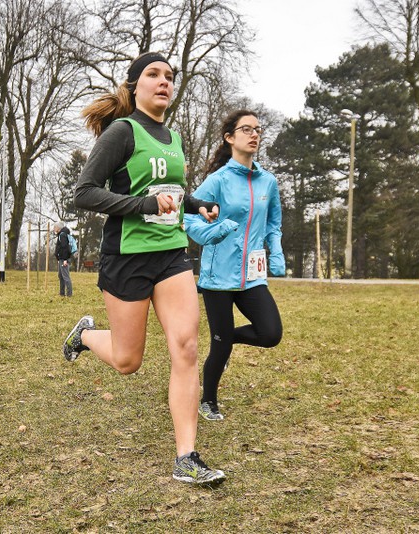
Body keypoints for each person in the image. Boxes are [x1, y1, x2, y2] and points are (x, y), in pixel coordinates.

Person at [65, 52, 224, 486]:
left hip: (172, 253)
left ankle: (186, 456)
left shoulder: (172, 137)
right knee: (127, 360)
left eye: (170, 76)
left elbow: (171, 191)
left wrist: (197, 205)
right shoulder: (123, 131)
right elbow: (85, 193)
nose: (164, 82)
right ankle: (84, 335)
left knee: (186, 347)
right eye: (153, 75)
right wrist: (143, 206)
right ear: (134, 85)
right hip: (127, 257)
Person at [185, 110, 285, 422]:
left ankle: (228, 339)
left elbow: (274, 225)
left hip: (253, 276)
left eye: (258, 129)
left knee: (270, 334)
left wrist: (276, 253)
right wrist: (215, 231)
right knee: (219, 344)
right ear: (230, 138)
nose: (254, 134)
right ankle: (208, 400)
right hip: (218, 277)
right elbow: (188, 219)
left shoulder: (268, 181)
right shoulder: (218, 181)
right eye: (246, 129)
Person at [53, 221, 73, 297]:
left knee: (65, 276)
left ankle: (69, 294)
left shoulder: (62, 235)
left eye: (55, 227)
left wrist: (65, 259)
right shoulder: (61, 234)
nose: (54, 229)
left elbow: (65, 248)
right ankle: (62, 293)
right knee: (60, 276)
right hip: (61, 258)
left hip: (63, 259)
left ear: (58, 228)